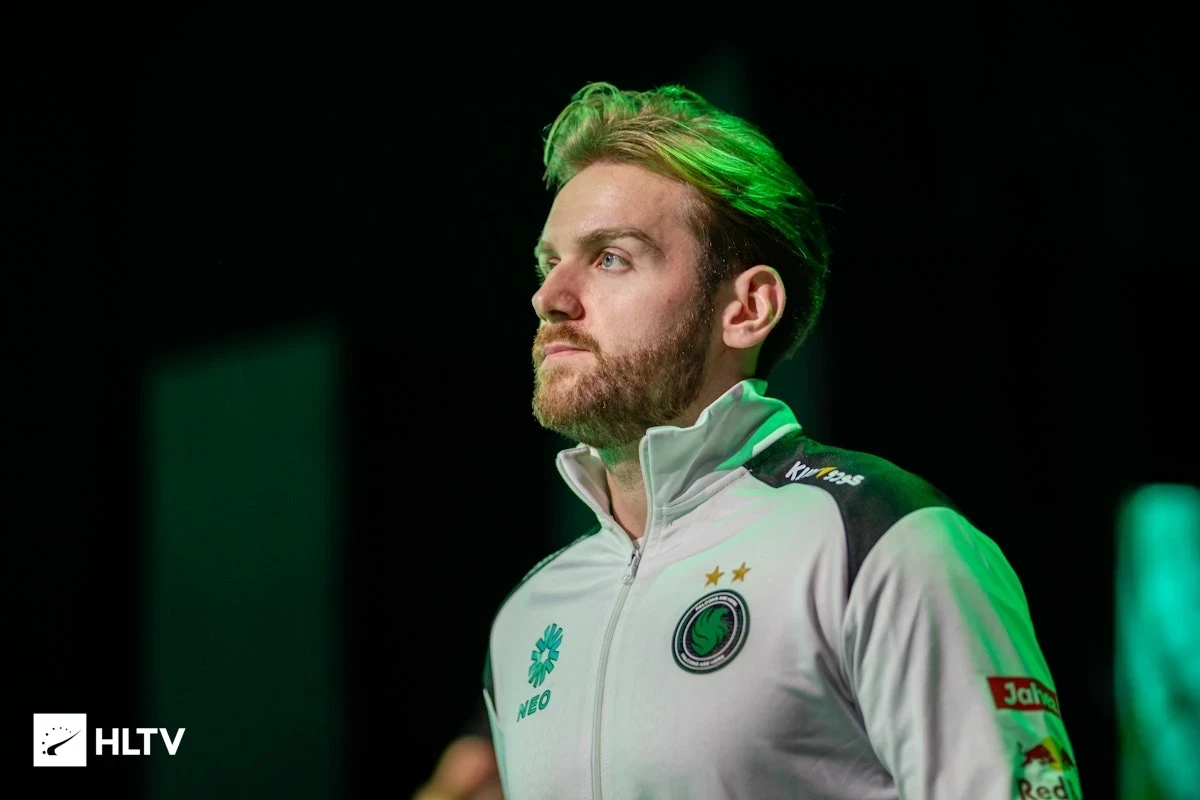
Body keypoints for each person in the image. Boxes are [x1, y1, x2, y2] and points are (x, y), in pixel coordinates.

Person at [416, 81, 1081, 799]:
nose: (549, 298)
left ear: (746, 309)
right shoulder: (530, 613)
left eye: (610, 257)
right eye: (550, 264)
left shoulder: (881, 538)